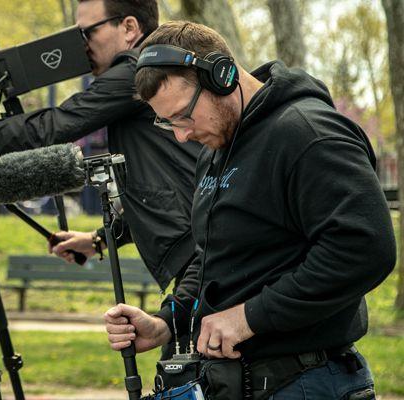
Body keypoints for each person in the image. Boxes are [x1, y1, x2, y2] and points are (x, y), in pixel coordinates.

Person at [104, 21, 396, 399]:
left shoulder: (308, 133)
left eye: (184, 115)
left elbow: (365, 247)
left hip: (306, 382)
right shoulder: (215, 151)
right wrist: (166, 323)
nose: (181, 135)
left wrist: (249, 317)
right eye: (168, 123)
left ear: (222, 77)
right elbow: (210, 257)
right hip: (241, 383)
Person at [0, 2, 202, 299]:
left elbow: (51, 127)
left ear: (129, 27)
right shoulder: (149, 73)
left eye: (87, 33)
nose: (81, 46)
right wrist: (97, 240)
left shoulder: (136, 72)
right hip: (199, 247)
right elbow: (163, 190)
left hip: (201, 252)